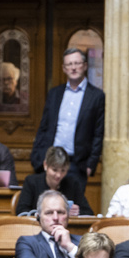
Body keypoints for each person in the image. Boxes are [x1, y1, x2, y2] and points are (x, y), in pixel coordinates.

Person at [30, 47, 105, 195]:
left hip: (77, 164)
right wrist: (37, 156)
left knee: (73, 208)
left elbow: (98, 132)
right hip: (50, 162)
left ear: (84, 66)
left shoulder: (96, 96)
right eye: (69, 64)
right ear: (64, 68)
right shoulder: (54, 94)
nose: (73, 68)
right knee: (47, 206)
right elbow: (44, 127)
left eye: (77, 63)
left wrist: (91, 164)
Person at [14, 192, 81, 258]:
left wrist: (70, 247)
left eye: (60, 212)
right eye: (49, 213)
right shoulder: (27, 242)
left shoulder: (81, 241)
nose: (55, 217)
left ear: (68, 216)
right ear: (38, 217)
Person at [17, 146, 92, 216]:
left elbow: (89, 212)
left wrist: (78, 212)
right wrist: (41, 215)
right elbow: (21, 211)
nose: (59, 175)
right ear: (45, 165)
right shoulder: (31, 182)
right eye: (54, 170)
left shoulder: (73, 183)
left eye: (63, 170)